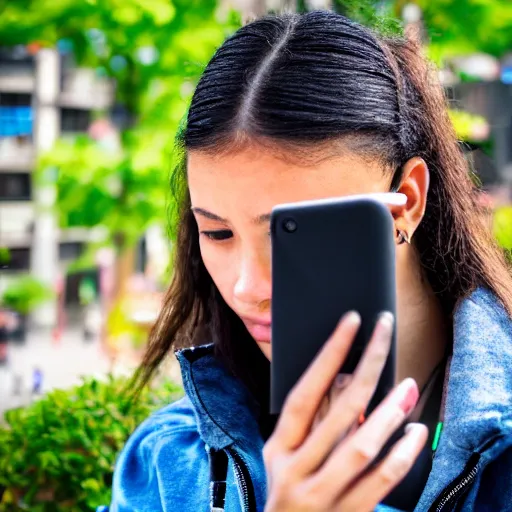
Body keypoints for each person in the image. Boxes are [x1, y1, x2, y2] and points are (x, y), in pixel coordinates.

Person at [104, 11, 512, 512]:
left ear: (407, 200)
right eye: (217, 232)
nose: (247, 286)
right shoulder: (172, 464)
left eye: (289, 235)